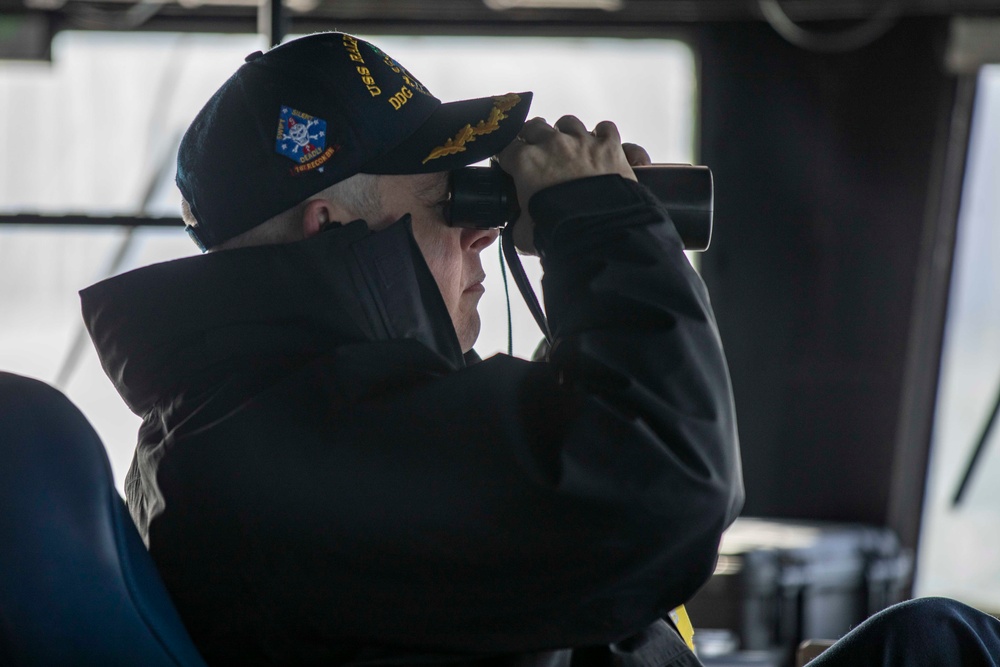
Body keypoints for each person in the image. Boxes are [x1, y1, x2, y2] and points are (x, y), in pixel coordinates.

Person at [79, 31, 1000, 667]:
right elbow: (670, 486)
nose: (481, 238)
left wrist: (603, 254)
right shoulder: (278, 446)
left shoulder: (295, 415)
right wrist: (598, 226)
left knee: (932, 643)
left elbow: (568, 498)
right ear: (331, 229)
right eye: (451, 206)